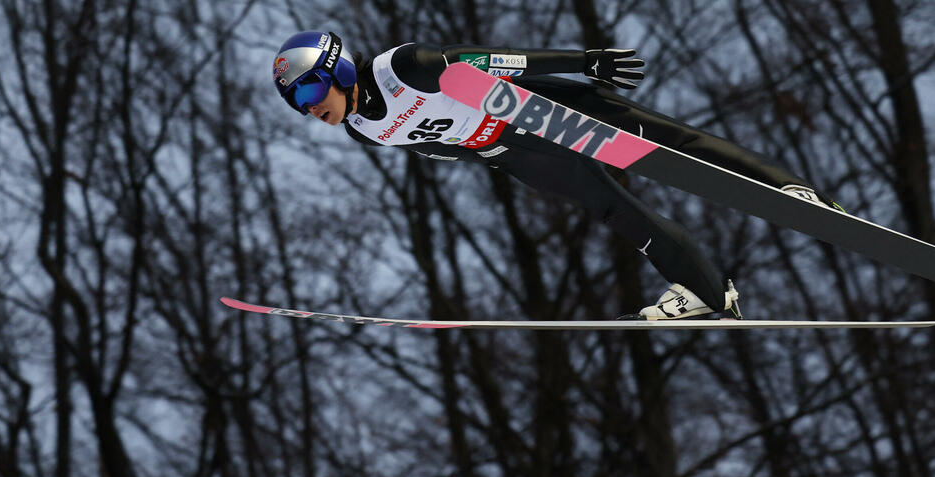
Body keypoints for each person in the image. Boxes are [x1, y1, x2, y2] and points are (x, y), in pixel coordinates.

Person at [272, 30, 835, 319]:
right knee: (616, 210)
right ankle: (708, 293)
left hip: (536, 108)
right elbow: (441, 146)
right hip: (514, 151)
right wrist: (491, 157)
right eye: (297, 102)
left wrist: (583, 61)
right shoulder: (362, 131)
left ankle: (789, 191)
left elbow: (493, 60)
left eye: (311, 88)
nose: (309, 106)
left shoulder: (402, 68)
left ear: (339, 70)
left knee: (669, 143)